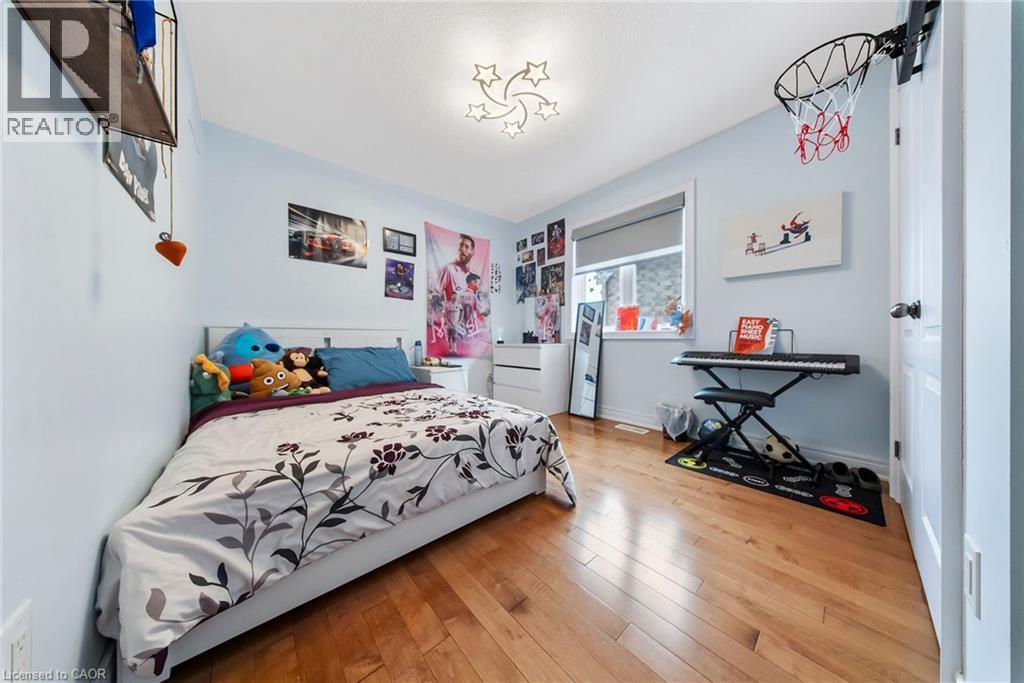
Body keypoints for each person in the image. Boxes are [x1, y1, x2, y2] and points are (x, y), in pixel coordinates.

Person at [436, 234, 479, 354]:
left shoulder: (474, 276)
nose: (462, 249)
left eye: (466, 247)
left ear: (472, 252)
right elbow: (436, 294)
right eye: (460, 246)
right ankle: (452, 348)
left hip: (471, 333)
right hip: (452, 322)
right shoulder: (448, 270)